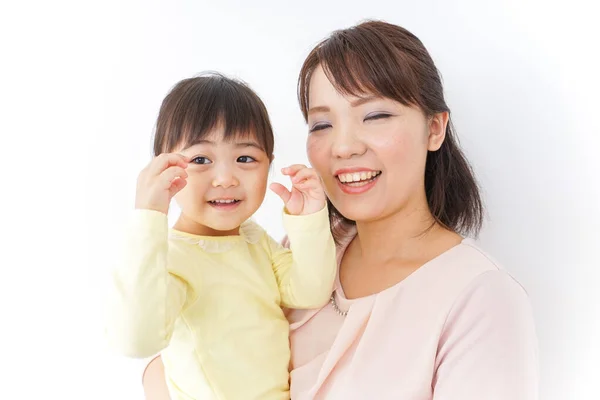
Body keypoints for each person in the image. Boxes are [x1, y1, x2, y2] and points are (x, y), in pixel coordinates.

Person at [141, 20, 539, 400]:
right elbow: (182, 357)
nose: (344, 146)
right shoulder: (303, 250)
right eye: (322, 125)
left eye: (376, 116)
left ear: (434, 129)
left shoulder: (481, 298)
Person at [104, 73, 338, 400]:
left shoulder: (254, 241)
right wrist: (148, 217)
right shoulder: (172, 258)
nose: (226, 178)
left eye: (245, 159)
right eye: (201, 159)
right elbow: (136, 340)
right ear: (164, 167)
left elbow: (310, 290)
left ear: (268, 165)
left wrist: (310, 217)